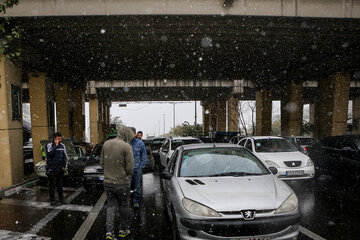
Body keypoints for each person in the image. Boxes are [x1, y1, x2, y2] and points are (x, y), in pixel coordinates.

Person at [101, 126, 134, 240]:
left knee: (111, 206)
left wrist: (109, 171)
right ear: (126, 135)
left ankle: (109, 232)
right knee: (124, 206)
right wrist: (123, 173)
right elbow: (130, 168)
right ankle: (123, 230)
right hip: (122, 183)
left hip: (108, 182)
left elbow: (102, 163)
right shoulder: (126, 146)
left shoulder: (106, 144)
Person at [46, 132, 67, 206]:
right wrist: (55, 146)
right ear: (54, 138)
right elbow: (49, 154)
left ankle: (61, 199)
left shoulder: (62, 146)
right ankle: (52, 201)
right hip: (52, 169)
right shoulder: (49, 145)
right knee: (52, 186)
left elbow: (65, 156)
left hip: (60, 169)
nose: (59, 140)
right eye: (58, 139)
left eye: (60, 139)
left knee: (60, 185)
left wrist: (64, 165)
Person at [130, 127, 147, 208]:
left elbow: (144, 156)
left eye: (133, 133)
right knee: (127, 185)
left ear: (135, 134)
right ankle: (126, 200)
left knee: (137, 186)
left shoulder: (140, 143)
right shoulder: (126, 143)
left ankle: (136, 201)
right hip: (128, 169)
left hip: (137, 168)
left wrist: (141, 166)